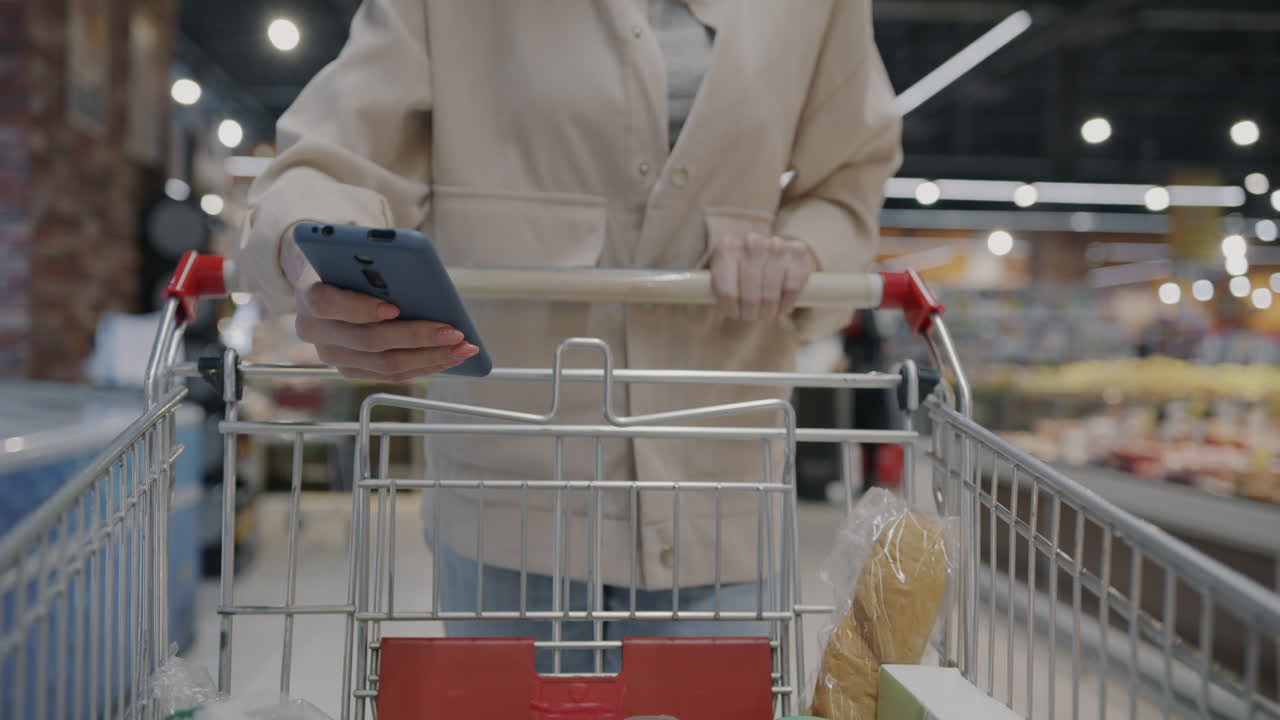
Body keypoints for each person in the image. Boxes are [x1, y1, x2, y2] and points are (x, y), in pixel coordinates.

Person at [239, 0, 901, 672]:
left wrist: (802, 249)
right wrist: (311, 248)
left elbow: (850, 179)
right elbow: (328, 162)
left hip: (723, 497)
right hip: (510, 511)